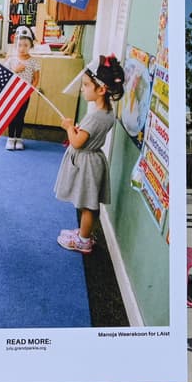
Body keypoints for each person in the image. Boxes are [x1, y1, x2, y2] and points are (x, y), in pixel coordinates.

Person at [55, 55, 125, 254]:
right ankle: (84, 233)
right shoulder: (106, 113)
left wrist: (69, 127)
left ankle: (83, 240)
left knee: (88, 204)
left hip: (87, 162)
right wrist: (78, 130)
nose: (82, 88)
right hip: (95, 158)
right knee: (90, 202)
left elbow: (77, 143)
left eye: (86, 85)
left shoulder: (95, 116)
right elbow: (87, 135)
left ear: (101, 90)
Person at [4, 26, 42, 150]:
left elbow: (36, 78)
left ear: (30, 45)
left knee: (20, 116)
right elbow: (5, 76)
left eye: (25, 45)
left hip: (25, 94)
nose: (22, 48)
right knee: (12, 115)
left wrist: (31, 88)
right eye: (19, 45)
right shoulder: (11, 60)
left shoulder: (33, 62)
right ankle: (10, 138)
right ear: (15, 45)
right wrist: (15, 70)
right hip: (12, 93)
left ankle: (18, 138)